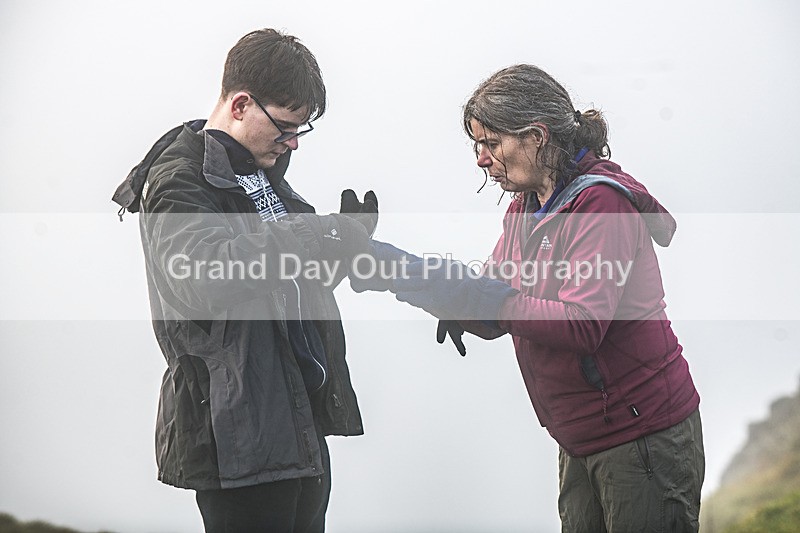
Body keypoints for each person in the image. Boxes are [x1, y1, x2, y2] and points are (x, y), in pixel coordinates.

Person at [362, 64, 705, 532]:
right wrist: (406, 278)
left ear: (537, 136)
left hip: (642, 435)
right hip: (582, 436)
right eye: (476, 145)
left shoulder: (600, 205)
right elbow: (495, 298)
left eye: (491, 143)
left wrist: (489, 302)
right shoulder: (527, 207)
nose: (481, 159)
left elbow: (581, 323)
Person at [112, 28, 378, 532]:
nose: (293, 142)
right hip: (240, 437)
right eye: (285, 127)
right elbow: (206, 277)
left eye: (301, 130)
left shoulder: (262, 169)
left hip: (299, 425)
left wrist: (346, 246)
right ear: (240, 104)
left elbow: (290, 282)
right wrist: (314, 232)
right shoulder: (178, 178)